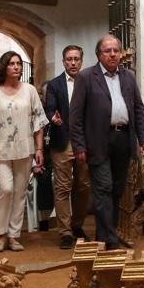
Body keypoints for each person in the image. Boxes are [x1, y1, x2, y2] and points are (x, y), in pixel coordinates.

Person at [69, 35, 144, 251]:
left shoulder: (128, 77)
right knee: (103, 188)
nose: (113, 54)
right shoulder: (87, 77)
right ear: (99, 55)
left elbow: (138, 109)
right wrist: (79, 146)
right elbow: (75, 116)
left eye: (116, 50)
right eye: (108, 51)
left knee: (116, 190)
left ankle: (104, 234)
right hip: (98, 141)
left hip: (123, 139)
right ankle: (111, 240)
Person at [0, 51, 48, 253]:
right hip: (0, 150)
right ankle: (0, 234)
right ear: (4, 67)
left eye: (18, 63)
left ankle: (14, 235)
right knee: (5, 189)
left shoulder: (30, 90)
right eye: (12, 64)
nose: (16, 67)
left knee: (19, 193)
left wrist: (39, 149)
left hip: (25, 149)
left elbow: (39, 121)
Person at [43, 44, 91, 249]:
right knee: (62, 187)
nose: (73, 62)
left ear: (81, 61)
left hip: (85, 143)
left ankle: (77, 224)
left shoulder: (90, 82)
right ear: (63, 62)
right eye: (69, 59)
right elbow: (49, 109)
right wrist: (52, 117)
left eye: (76, 59)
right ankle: (65, 232)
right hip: (62, 142)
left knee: (83, 186)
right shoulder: (54, 85)